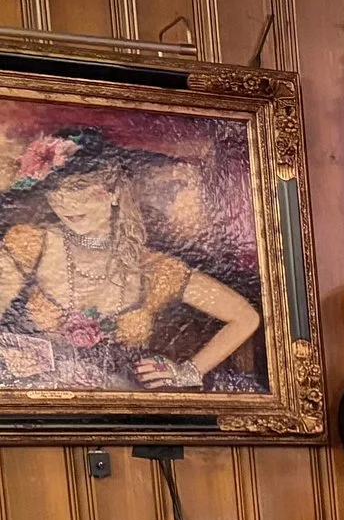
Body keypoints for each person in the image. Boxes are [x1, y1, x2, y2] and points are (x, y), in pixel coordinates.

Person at [0, 125, 262, 392]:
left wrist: (187, 372)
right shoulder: (30, 244)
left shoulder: (156, 270)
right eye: (55, 190)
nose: (67, 202)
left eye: (81, 187)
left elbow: (246, 317)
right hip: (36, 403)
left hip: (122, 410)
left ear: (114, 191)